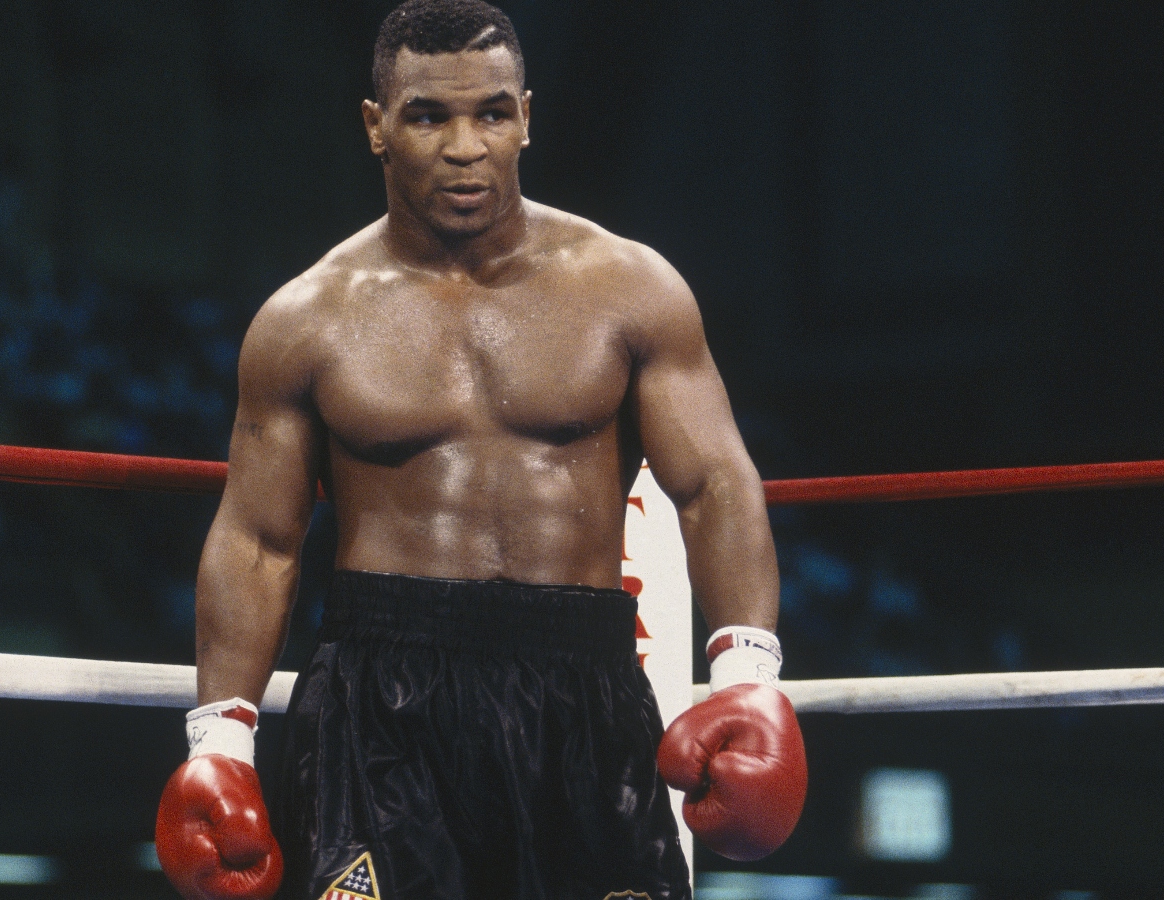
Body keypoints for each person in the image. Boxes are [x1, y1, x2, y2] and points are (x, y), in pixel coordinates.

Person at [154, 2, 806, 898]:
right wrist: (220, 741)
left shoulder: (631, 289)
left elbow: (715, 485)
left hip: (582, 685)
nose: (466, 146)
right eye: (429, 116)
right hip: (380, 702)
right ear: (376, 127)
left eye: (492, 113)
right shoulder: (306, 321)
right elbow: (257, 541)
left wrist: (747, 677)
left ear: (526, 117)